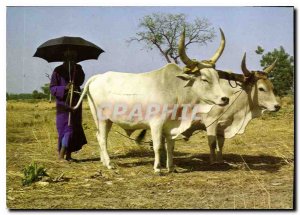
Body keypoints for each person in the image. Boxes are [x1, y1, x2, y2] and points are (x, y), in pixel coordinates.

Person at [50, 50, 87, 161]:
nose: (71, 58)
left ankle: (68, 155)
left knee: (73, 129)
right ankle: (61, 156)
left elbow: (80, 82)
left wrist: (76, 71)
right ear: (64, 57)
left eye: (73, 56)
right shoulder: (58, 71)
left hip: (75, 103)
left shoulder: (78, 69)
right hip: (63, 105)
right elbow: (52, 88)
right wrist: (64, 88)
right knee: (65, 129)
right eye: (68, 56)